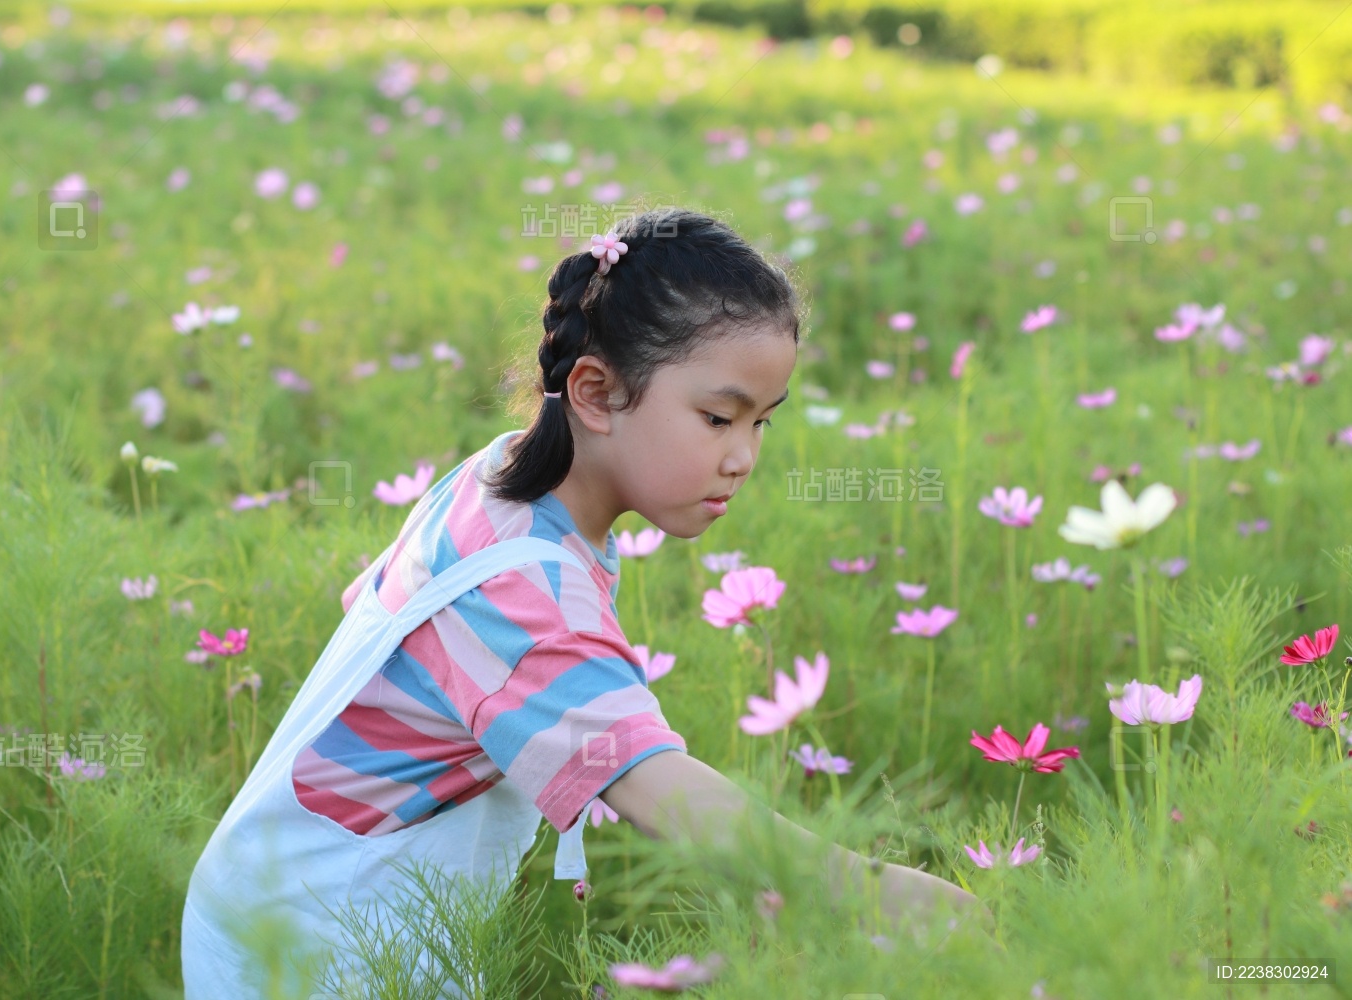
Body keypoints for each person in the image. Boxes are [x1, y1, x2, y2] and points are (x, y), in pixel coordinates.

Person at [181, 207, 982, 999]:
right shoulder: (522, 595)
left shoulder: (499, 474)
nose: (743, 457)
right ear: (595, 392)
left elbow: (378, 609)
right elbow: (652, 787)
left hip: (284, 896)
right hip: (310, 949)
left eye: (762, 423)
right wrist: (864, 886)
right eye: (717, 417)